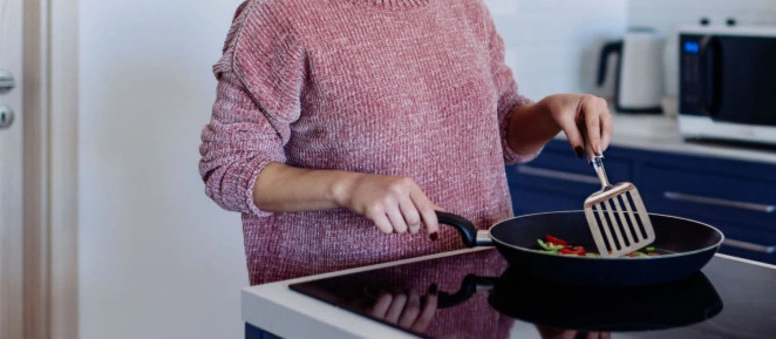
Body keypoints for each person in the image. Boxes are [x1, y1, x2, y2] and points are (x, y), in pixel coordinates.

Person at [198, 0, 613, 287]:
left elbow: (502, 131)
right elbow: (229, 168)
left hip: (477, 297)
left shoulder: (463, 8)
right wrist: (349, 187)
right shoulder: (281, 13)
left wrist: (549, 114)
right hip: (339, 305)